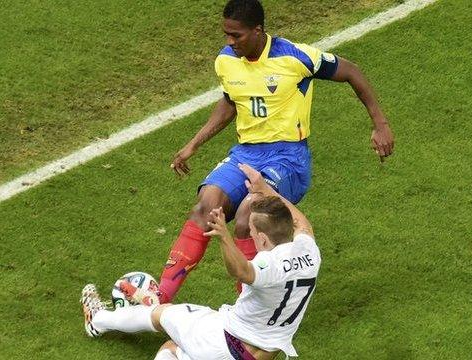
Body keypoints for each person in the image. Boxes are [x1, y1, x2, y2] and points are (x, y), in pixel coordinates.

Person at [158, 0, 394, 303]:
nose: (230, 42)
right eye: (226, 35)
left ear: (258, 31)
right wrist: (195, 142)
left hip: (288, 159)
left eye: (236, 35)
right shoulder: (226, 60)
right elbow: (232, 101)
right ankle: (160, 297)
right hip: (246, 154)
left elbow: (351, 71)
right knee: (206, 205)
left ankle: (248, 307)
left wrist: (380, 124)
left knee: (249, 214)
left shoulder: (295, 57)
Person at [82, 164, 321, 359]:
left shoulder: (269, 266)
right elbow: (303, 224)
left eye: (250, 230)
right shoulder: (309, 252)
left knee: (160, 315)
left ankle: (99, 320)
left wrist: (225, 237)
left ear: (262, 237)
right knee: (174, 350)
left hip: (225, 342)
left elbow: (241, 270)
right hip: (259, 354)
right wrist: (267, 190)